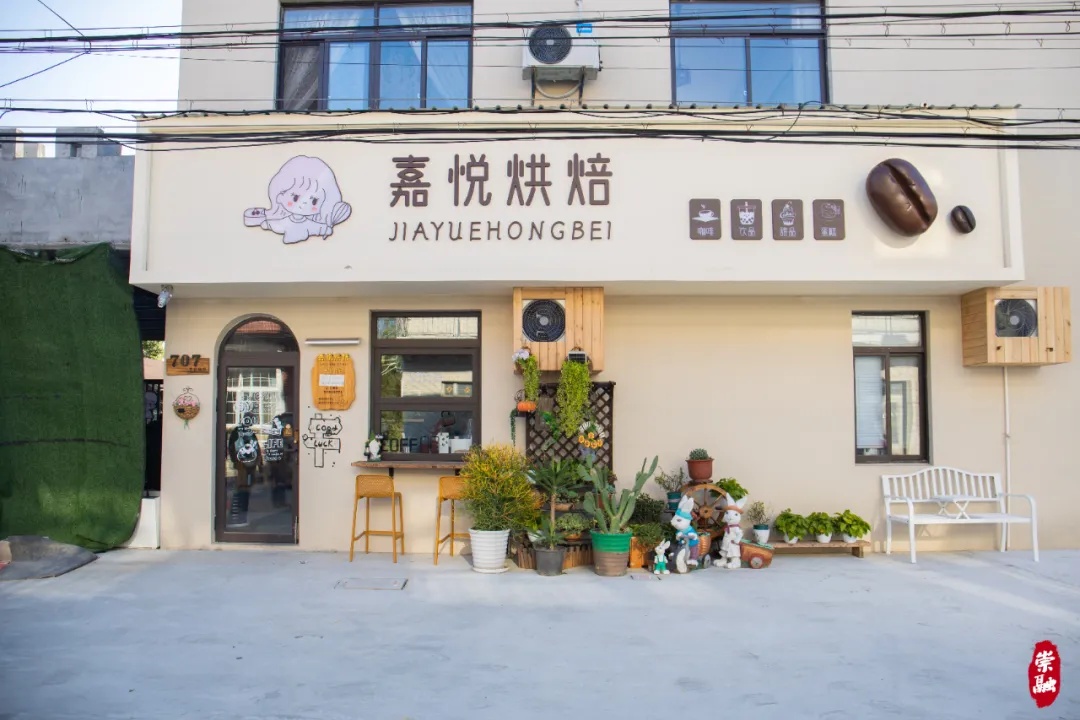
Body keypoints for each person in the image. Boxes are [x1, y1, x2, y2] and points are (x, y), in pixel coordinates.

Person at [227, 413, 263, 527]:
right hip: (241, 465)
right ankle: (236, 517)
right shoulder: (237, 432)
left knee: (246, 489)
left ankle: (242, 516)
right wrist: (236, 461)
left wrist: (259, 463)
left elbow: (257, 448)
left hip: (250, 465)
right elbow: (232, 447)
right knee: (241, 489)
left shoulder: (250, 432)